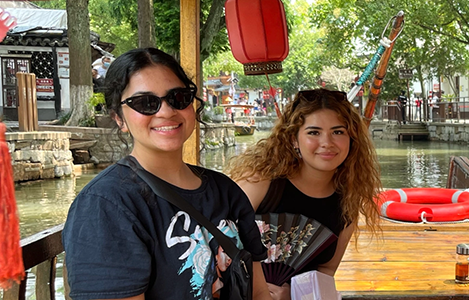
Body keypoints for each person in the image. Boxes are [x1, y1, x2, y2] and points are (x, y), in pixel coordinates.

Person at [62, 48, 272, 299]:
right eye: (145, 103)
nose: (165, 111)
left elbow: (259, 292)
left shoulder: (225, 191)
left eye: (178, 97)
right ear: (119, 118)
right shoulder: (105, 206)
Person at [226, 88, 383, 299]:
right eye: (313, 132)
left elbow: (326, 271)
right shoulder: (261, 182)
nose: (327, 142)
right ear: (293, 139)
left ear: (352, 138)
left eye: (338, 132)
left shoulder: (348, 201)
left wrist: (292, 294)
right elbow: (216, 242)